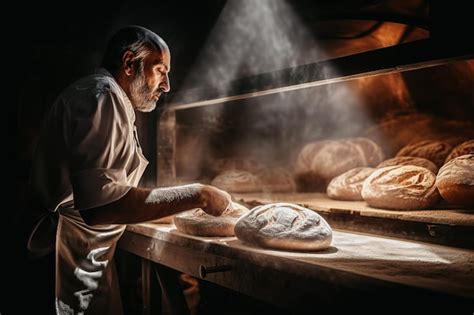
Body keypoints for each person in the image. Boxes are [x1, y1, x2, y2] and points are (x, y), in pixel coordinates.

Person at [25, 25, 232, 314]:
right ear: (129, 64)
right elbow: (101, 206)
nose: (167, 85)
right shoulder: (102, 96)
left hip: (85, 255)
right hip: (65, 258)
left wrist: (172, 205)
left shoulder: (112, 100)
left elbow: (113, 187)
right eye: (161, 70)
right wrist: (199, 194)